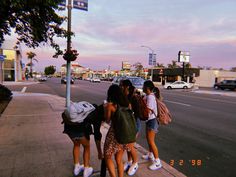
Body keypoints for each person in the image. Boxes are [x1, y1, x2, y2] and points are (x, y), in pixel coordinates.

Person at [103, 84, 133, 177]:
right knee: (119, 159)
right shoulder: (128, 104)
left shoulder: (110, 106)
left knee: (107, 156)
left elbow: (107, 120)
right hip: (125, 134)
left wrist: (105, 108)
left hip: (114, 134)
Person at [119, 79, 139, 176]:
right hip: (127, 124)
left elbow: (137, 114)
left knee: (130, 145)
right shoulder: (124, 96)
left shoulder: (133, 97)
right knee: (128, 145)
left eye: (121, 85)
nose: (120, 87)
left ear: (127, 87)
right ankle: (129, 161)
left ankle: (135, 163)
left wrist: (130, 111)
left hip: (133, 124)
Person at [141, 80, 162, 170]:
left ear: (147, 88)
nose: (142, 87)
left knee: (151, 141)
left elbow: (148, 111)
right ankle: (150, 154)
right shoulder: (148, 96)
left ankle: (157, 162)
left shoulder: (150, 97)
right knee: (149, 139)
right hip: (149, 120)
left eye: (143, 86)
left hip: (152, 121)